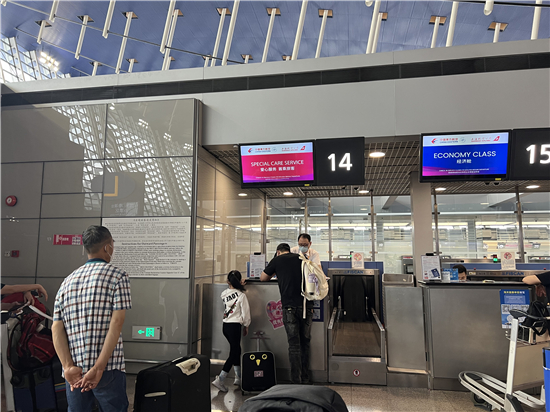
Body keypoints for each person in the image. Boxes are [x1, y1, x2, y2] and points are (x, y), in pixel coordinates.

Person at [52, 225, 132, 412]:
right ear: (107, 247)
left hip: (75, 371)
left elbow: (56, 328)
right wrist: (98, 367)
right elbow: (116, 322)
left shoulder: (67, 281)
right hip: (108, 367)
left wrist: (67, 367)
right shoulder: (118, 277)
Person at [261, 243, 313, 384]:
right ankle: (306, 379)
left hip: (289, 307)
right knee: (305, 343)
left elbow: (263, 278)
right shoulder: (301, 258)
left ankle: (296, 381)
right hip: (306, 305)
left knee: (294, 345)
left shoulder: (277, 260)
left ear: (278, 252)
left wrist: (276, 271)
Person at [212, 270, 250, 392]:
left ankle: (238, 377)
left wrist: (237, 285)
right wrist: (246, 325)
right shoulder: (241, 296)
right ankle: (221, 379)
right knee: (234, 352)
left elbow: (231, 294)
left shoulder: (223, 293)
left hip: (226, 326)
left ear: (228, 281)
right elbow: (246, 313)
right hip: (235, 326)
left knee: (236, 349)